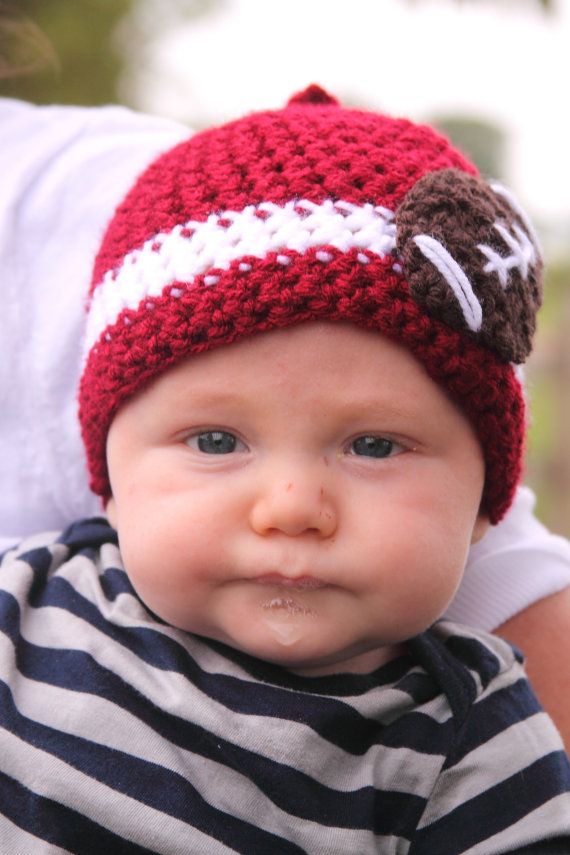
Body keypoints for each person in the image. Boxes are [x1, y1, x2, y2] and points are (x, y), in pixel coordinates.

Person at [1, 86, 570, 853]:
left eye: (373, 446)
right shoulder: (26, 608)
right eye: (213, 441)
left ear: (484, 506)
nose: (291, 507)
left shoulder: (470, 744)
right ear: (107, 471)